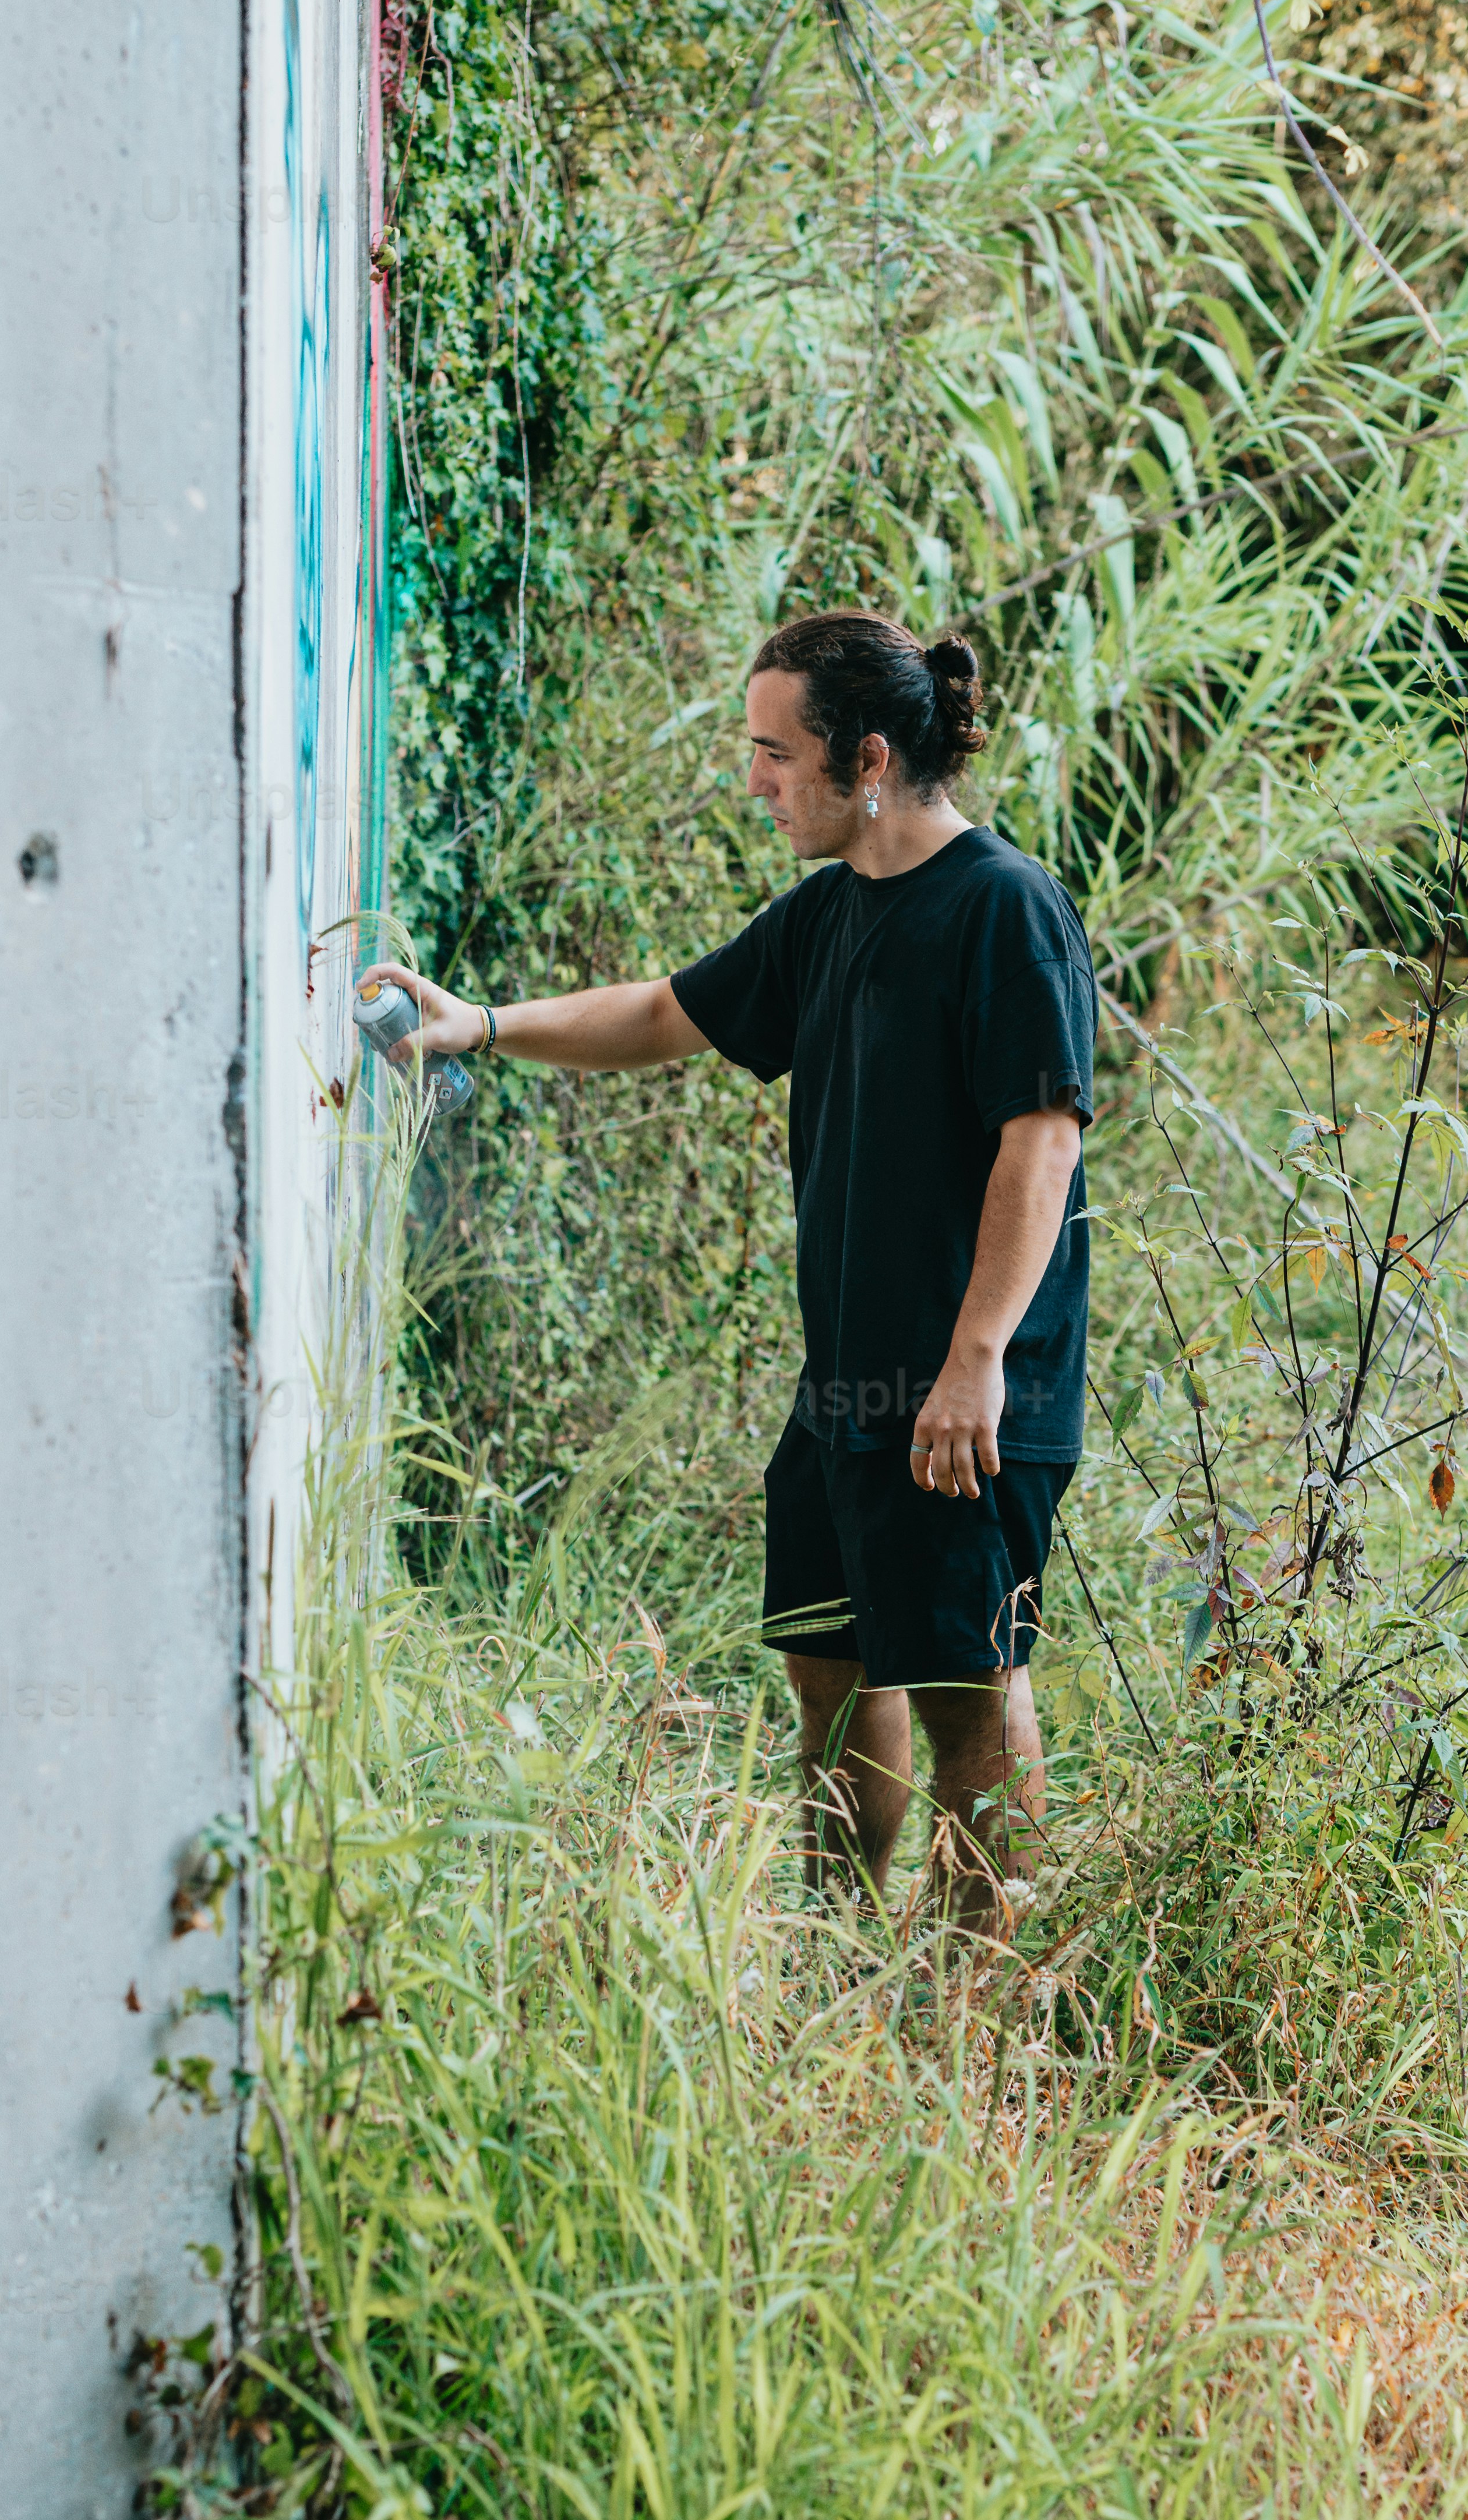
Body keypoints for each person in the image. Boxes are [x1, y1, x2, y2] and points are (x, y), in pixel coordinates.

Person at [361, 609, 1098, 1931]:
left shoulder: (1001, 907)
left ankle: (984, 2013)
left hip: (963, 1401)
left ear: (865, 757)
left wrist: (974, 1359)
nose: (752, 778)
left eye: (773, 751)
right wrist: (479, 1023)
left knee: (967, 1701)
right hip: (846, 1392)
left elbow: (1041, 1137)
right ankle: (833, 1953)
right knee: (833, 1667)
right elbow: (665, 1011)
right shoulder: (829, 916)